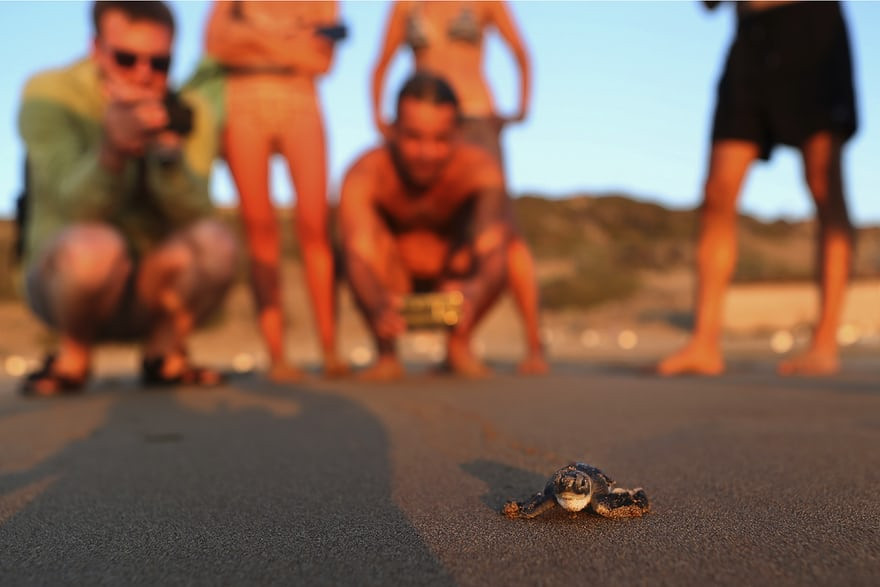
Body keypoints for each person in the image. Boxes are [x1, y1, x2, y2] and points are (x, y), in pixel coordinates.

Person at [17, 1, 238, 396]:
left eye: (160, 63)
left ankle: (164, 354)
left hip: (153, 286)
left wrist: (167, 158)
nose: (144, 73)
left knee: (218, 242)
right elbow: (71, 208)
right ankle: (73, 356)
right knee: (95, 248)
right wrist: (112, 154)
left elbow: (199, 215)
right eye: (126, 58)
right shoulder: (50, 94)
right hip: (66, 281)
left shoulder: (188, 111)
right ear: (96, 49)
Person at [657, 1, 858, 376]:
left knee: (824, 183)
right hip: (750, 35)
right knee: (717, 191)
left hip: (811, 24)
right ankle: (704, 343)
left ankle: (825, 344)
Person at [371, 0, 547, 374]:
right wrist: (381, 120)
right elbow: (381, 62)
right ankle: (451, 343)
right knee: (439, 229)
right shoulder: (404, 5)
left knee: (501, 228)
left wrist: (520, 109)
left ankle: (535, 345)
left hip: (476, 115)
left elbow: (520, 51)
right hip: (425, 123)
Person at [340, 72, 530, 380]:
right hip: (392, 279)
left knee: (506, 243)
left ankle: (459, 346)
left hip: (453, 279)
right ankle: (386, 354)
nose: (426, 153)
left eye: (440, 139)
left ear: (459, 133)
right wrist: (375, 301)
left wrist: (477, 289)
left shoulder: (480, 170)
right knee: (361, 246)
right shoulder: (365, 173)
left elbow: (493, 248)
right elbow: (358, 255)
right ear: (392, 130)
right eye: (413, 137)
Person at [204, 1, 348, 381]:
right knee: (259, 229)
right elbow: (216, 47)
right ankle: (277, 357)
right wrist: (290, 43)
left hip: (302, 100)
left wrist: (252, 39)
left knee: (315, 226)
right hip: (242, 104)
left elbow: (322, 62)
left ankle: (331, 350)